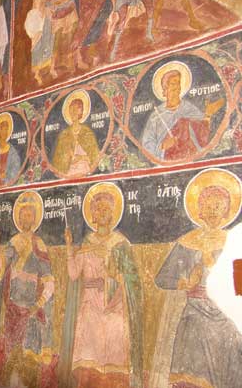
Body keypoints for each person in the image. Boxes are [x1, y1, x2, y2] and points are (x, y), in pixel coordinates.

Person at [153, 169, 242, 388]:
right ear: (199, 209)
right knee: (189, 374)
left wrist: (215, 270)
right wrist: (185, 282)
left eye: (218, 206)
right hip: (193, 316)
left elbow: (239, 286)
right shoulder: (188, 241)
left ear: (226, 210)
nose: (213, 211)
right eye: (208, 206)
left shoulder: (233, 241)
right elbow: (162, 278)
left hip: (224, 318)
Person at [60, 182, 142, 388]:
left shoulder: (120, 244)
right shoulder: (87, 243)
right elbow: (73, 274)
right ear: (92, 216)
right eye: (98, 209)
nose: (102, 212)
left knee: (113, 351)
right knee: (88, 362)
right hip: (89, 307)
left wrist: (112, 278)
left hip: (114, 307)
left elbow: (132, 280)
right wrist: (69, 246)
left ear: (113, 214)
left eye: (106, 208)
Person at [0, 191, 56, 388]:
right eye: (23, 214)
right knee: (11, 357)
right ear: (18, 218)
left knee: (29, 360)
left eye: (29, 214)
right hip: (13, 309)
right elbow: (0, 270)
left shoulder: (39, 244)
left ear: (34, 219)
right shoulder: (14, 242)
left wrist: (39, 303)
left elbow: (49, 281)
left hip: (30, 312)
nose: (26, 218)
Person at [141, 62, 224, 160]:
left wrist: (208, 115)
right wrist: (163, 146)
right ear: (165, 89)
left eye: (178, 83)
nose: (176, 87)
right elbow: (147, 144)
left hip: (190, 156)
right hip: (167, 161)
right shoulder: (156, 116)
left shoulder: (188, 108)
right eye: (173, 84)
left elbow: (202, 137)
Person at [52, 90, 100, 176]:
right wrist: (68, 157)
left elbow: (95, 157)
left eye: (76, 109)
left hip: (85, 169)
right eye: (71, 109)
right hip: (69, 171)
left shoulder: (87, 132)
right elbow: (58, 161)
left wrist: (81, 157)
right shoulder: (64, 134)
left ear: (81, 112)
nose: (73, 112)